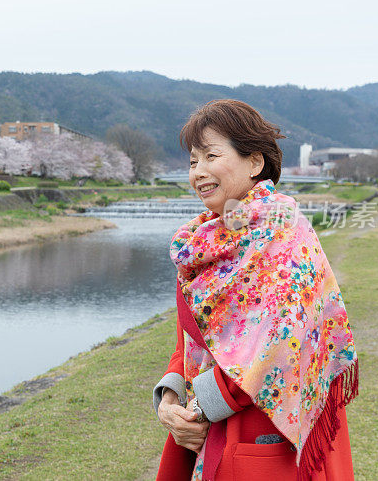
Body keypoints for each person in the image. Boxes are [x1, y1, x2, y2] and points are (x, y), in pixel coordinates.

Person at [153, 100, 358, 480]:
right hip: (207, 425)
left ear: (255, 162)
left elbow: (280, 344)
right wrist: (170, 398)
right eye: (193, 161)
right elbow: (192, 340)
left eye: (212, 155)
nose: (198, 171)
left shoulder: (282, 233)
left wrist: (198, 409)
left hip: (266, 430)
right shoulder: (203, 243)